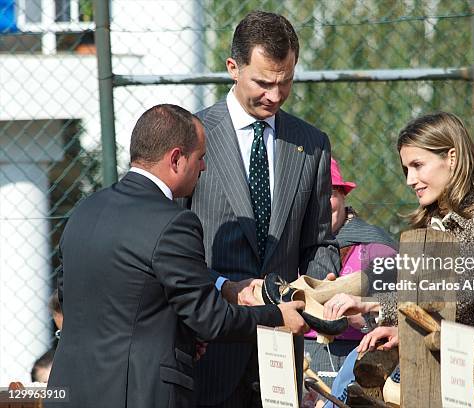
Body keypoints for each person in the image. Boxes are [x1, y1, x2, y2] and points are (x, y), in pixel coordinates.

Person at [46, 104, 307, 408]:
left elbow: (78, 297)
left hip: (70, 391)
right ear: (176, 159)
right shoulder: (174, 223)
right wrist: (277, 317)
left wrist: (180, 336)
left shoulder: (84, 211)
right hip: (139, 394)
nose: (204, 167)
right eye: (200, 157)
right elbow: (210, 320)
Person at [185, 11, 341, 408]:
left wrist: (315, 292)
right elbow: (171, 251)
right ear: (233, 69)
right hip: (209, 352)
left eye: (285, 82)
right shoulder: (191, 138)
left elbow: (319, 243)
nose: (274, 94)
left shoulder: (311, 144)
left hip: (281, 354)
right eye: (263, 82)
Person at [323, 112, 474, 397]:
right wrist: (397, 328)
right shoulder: (431, 224)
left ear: (452, 157)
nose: (410, 180)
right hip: (438, 368)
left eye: (418, 165)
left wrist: (371, 303)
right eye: (406, 169)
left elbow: (450, 296)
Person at [303, 157, 397, 390]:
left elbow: (401, 315)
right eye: (312, 196)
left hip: (359, 362)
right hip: (301, 358)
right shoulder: (290, 248)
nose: (321, 204)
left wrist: (362, 320)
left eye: (329, 193)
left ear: (344, 196)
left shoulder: (377, 249)